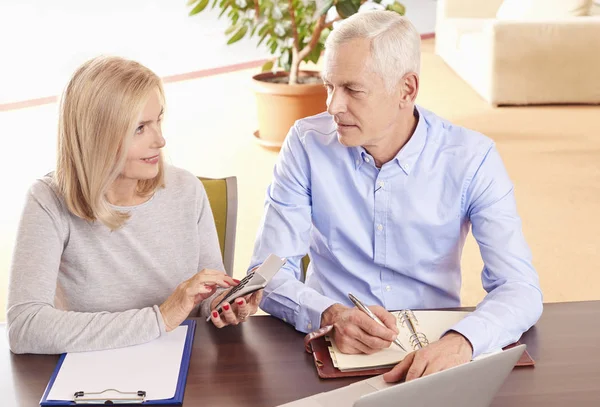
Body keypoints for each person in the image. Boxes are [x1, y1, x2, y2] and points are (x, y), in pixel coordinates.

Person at [248, 11, 543, 382]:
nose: (332, 106)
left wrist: (463, 341)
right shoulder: (306, 144)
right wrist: (329, 313)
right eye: (330, 86)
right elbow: (269, 269)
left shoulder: (473, 159)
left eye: (352, 90)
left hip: (435, 354)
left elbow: (520, 287)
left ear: (407, 89)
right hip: (329, 349)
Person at [6, 56, 258, 355]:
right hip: (89, 376)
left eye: (158, 120)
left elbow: (205, 298)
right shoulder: (48, 200)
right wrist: (160, 318)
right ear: (96, 137)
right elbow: (25, 327)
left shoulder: (186, 189)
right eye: (140, 128)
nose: (160, 140)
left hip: (181, 365)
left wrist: (221, 304)